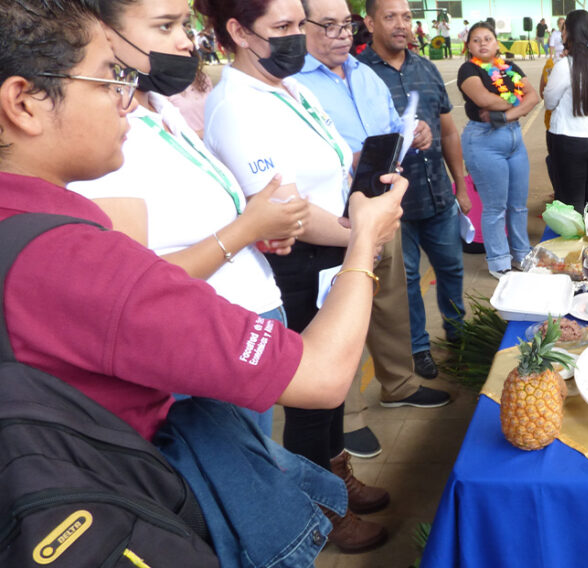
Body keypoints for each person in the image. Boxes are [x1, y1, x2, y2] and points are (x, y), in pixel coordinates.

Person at [0, 0, 405, 559]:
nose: (124, 99)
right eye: (108, 78)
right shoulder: (72, 257)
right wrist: (364, 237)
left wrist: (250, 226)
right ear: (23, 102)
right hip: (130, 499)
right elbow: (320, 376)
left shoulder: (49, 219)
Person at [196, 0, 391, 550]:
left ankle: (338, 477)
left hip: (334, 249)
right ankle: (321, 510)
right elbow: (285, 208)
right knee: (311, 393)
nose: (293, 39)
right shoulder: (236, 104)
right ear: (238, 31)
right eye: (279, 28)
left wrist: (371, 171)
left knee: (338, 381)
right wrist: (363, 235)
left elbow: (329, 161)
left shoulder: (291, 87)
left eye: (295, 26)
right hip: (297, 261)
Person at [68, 0, 306, 441]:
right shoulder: (108, 137)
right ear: (102, 31)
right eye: (164, 26)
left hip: (239, 332)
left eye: (184, 24)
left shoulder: (158, 106)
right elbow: (135, 291)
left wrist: (255, 232)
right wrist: (246, 229)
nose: (184, 41)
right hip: (203, 352)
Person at [295, 0, 453, 460]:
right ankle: (347, 420)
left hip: (381, 206)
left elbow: (390, 129)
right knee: (342, 315)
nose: (341, 35)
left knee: (391, 301)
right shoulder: (292, 84)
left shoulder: (364, 76)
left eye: (344, 25)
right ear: (301, 28)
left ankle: (399, 383)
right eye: (327, 26)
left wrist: (415, 134)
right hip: (331, 219)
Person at [361, 0, 470, 379]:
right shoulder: (359, 75)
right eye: (390, 16)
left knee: (452, 269)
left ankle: (457, 333)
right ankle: (419, 347)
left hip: (438, 194)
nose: (400, 24)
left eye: (406, 16)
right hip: (394, 204)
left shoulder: (427, 68)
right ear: (370, 22)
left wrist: (461, 183)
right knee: (406, 280)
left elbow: (449, 130)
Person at [458, 22, 540, 278]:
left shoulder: (510, 67)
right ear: (469, 46)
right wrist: (517, 102)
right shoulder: (468, 70)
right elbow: (483, 99)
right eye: (476, 40)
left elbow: (534, 97)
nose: (483, 43)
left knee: (518, 205)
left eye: (488, 38)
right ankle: (499, 261)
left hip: (513, 137)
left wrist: (505, 115)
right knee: (495, 207)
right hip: (484, 141)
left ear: (496, 43)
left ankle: (521, 254)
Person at [544, 10, 588, 215]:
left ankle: (575, 246)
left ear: (569, 33)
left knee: (571, 199)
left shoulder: (565, 65)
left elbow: (549, 101)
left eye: (564, 29)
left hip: (569, 139)